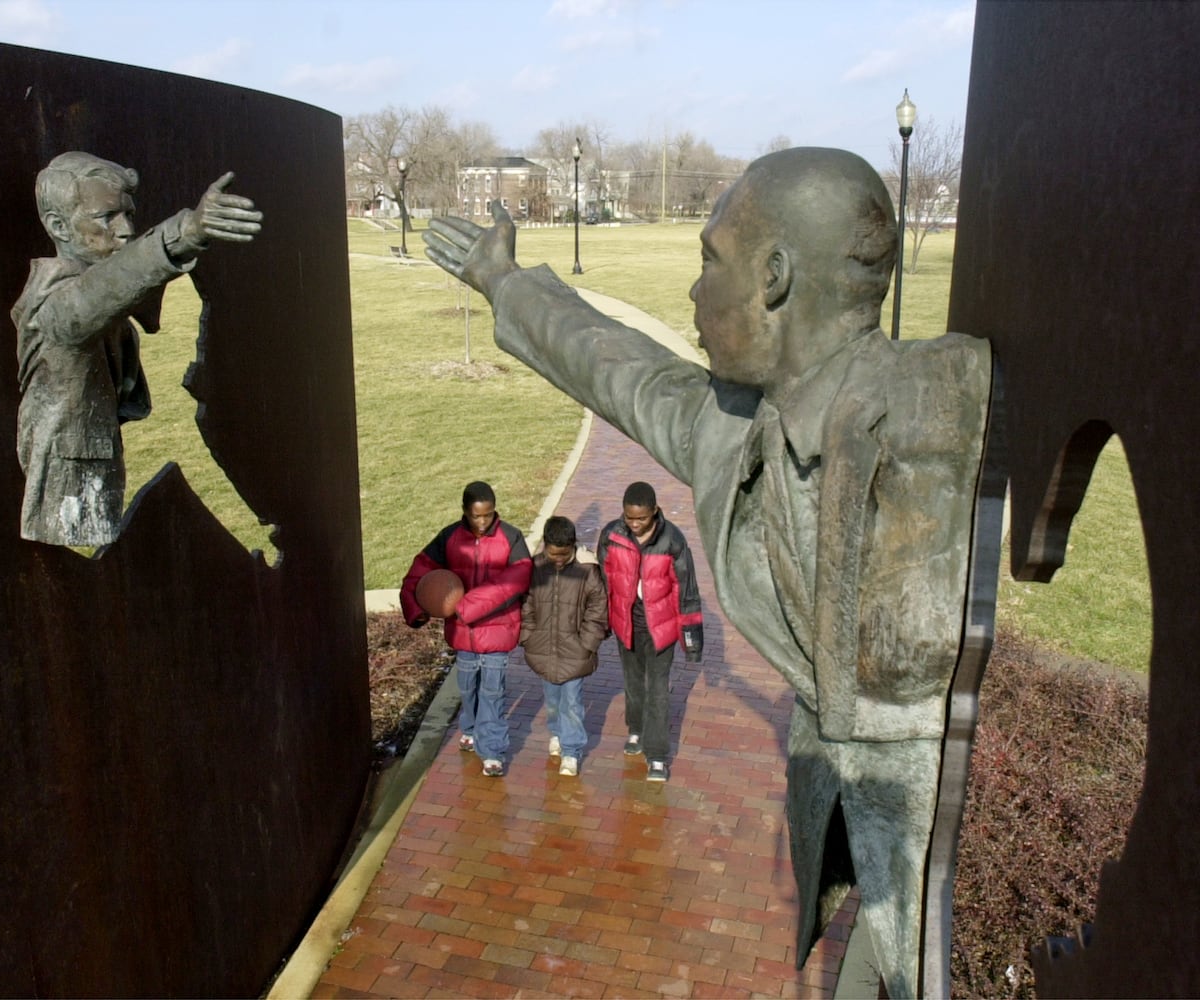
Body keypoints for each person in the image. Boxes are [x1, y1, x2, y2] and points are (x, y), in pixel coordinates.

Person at [423, 147, 993, 997]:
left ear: (772, 277)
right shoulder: (733, 427)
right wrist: (506, 282)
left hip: (915, 818)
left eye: (708, 261)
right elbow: (619, 368)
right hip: (834, 812)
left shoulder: (942, 396)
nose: (693, 293)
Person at [13, 151, 263, 546]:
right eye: (106, 217)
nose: (125, 229)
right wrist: (186, 231)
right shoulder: (53, 305)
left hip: (92, 458)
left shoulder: (89, 282)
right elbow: (106, 288)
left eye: (127, 214)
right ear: (58, 226)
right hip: (70, 477)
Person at [400, 481, 532, 777]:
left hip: (498, 631)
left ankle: (493, 751)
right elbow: (419, 571)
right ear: (465, 512)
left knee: (492, 691)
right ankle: (470, 729)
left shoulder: (511, 536)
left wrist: (469, 605)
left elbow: (519, 575)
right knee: (468, 686)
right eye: (476, 515)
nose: (483, 522)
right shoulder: (449, 537)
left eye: (488, 515)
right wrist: (417, 608)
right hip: (462, 634)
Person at [596, 482, 703, 783]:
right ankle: (636, 729)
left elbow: (687, 590)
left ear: (654, 512)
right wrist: (601, 623)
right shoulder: (612, 535)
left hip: (662, 629)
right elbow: (603, 582)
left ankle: (657, 755)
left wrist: (692, 642)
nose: (634, 524)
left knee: (657, 690)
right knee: (632, 682)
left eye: (641, 518)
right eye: (629, 517)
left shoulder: (673, 540)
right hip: (626, 625)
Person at [519, 515, 609, 777]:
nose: (558, 559)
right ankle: (556, 732)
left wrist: (587, 643)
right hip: (543, 648)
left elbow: (597, 607)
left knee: (572, 702)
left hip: (575, 651)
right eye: (553, 553)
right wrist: (528, 635)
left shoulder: (587, 571)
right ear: (545, 545)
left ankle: (571, 750)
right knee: (552, 700)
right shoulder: (535, 568)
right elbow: (526, 602)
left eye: (564, 554)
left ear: (574, 546)